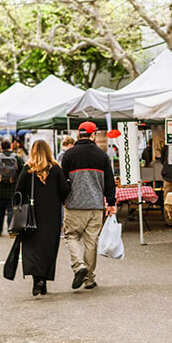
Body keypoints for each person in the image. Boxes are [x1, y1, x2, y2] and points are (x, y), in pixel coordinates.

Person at [61, 121, 116, 291]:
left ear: (79, 134)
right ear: (93, 135)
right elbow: (109, 181)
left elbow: (63, 181)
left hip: (74, 205)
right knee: (92, 241)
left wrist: (63, 198)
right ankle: (89, 278)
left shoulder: (68, 155)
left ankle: (79, 266)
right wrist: (111, 202)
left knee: (71, 236)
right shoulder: (101, 155)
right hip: (95, 206)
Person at [15, 140, 71, 296]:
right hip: (52, 215)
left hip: (32, 215)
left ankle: (37, 280)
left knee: (33, 248)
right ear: (48, 150)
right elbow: (65, 191)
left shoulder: (28, 169)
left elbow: (18, 192)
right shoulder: (55, 169)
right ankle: (44, 279)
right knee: (49, 247)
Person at [0, 138, 25, 237]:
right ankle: (11, 230)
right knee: (11, 210)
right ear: (10, 146)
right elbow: (24, 172)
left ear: (1, 147)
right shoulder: (17, 158)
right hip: (13, 188)